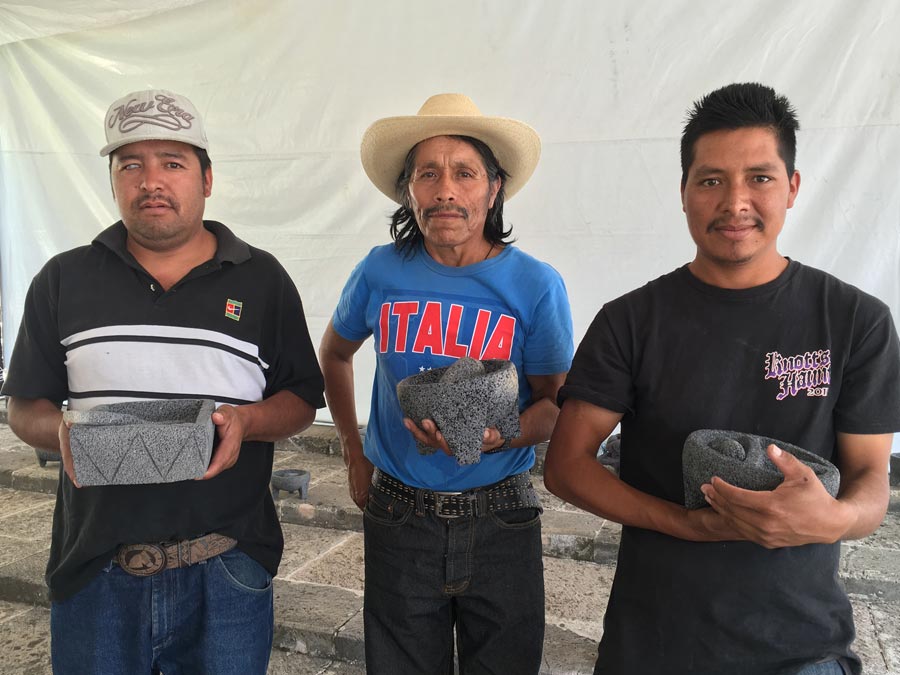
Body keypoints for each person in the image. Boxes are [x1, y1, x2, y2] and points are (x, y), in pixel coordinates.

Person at [544, 81, 900, 675]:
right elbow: (566, 466)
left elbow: (868, 480)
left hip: (801, 648)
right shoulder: (631, 321)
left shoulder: (855, 320)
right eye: (711, 180)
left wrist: (833, 518)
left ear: (792, 188)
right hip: (653, 644)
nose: (735, 201)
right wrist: (685, 523)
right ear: (683, 193)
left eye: (759, 178)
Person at [1, 88, 325, 674]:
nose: (151, 181)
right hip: (97, 569)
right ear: (114, 180)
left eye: (172, 163)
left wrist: (247, 422)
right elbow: (25, 405)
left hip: (226, 568)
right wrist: (65, 432)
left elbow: (302, 398)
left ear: (206, 179)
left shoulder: (262, 280)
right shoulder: (63, 279)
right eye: (131, 165)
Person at [319, 93, 573, 674]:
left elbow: (556, 402)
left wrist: (494, 439)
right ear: (409, 190)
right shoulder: (381, 270)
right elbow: (334, 354)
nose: (445, 190)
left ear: (495, 186)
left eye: (464, 173)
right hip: (399, 513)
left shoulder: (534, 284)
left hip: (502, 515)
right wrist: (354, 455)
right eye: (426, 174)